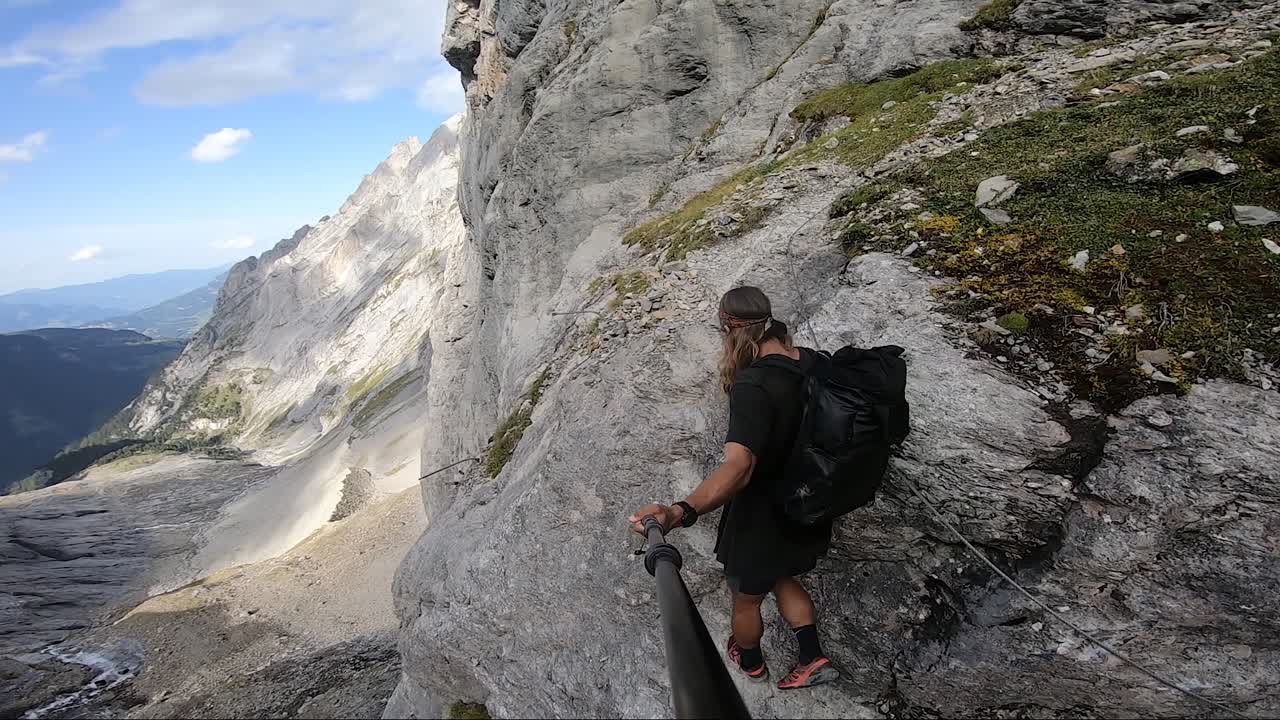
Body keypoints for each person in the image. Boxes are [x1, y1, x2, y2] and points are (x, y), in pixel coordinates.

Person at [628, 286, 838, 690]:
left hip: (763, 509)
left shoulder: (755, 385)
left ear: (729, 327)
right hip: (811, 500)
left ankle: (751, 659)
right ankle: (811, 654)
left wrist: (679, 511)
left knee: (746, 597)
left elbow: (739, 466)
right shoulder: (811, 363)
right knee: (781, 574)